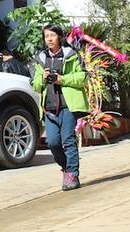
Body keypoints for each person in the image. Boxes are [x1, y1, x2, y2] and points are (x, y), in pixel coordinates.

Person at [31, 24, 89, 191]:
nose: (49, 39)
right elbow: (35, 85)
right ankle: (66, 168)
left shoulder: (71, 55)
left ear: (59, 37)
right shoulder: (41, 59)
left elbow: (82, 77)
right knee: (53, 143)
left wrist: (60, 79)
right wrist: (42, 78)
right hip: (49, 108)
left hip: (67, 106)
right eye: (46, 36)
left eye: (52, 35)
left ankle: (72, 174)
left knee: (68, 141)